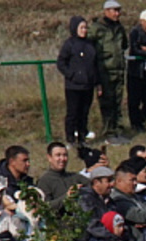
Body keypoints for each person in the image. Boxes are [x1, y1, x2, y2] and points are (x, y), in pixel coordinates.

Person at [57, 17, 101, 145]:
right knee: (73, 113)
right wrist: (72, 75)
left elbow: (95, 65)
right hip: (73, 86)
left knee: (84, 113)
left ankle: (82, 137)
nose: (84, 30)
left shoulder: (90, 44)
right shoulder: (69, 44)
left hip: (88, 86)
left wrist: (98, 83)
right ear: (75, 29)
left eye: (86, 27)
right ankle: (70, 138)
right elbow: (61, 62)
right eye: (81, 28)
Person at [93, 0, 129, 142]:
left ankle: (118, 130)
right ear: (106, 11)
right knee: (107, 102)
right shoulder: (97, 28)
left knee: (117, 102)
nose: (117, 13)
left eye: (118, 10)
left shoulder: (119, 28)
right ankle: (108, 132)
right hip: (105, 71)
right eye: (114, 10)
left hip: (118, 70)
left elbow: (124, 44)